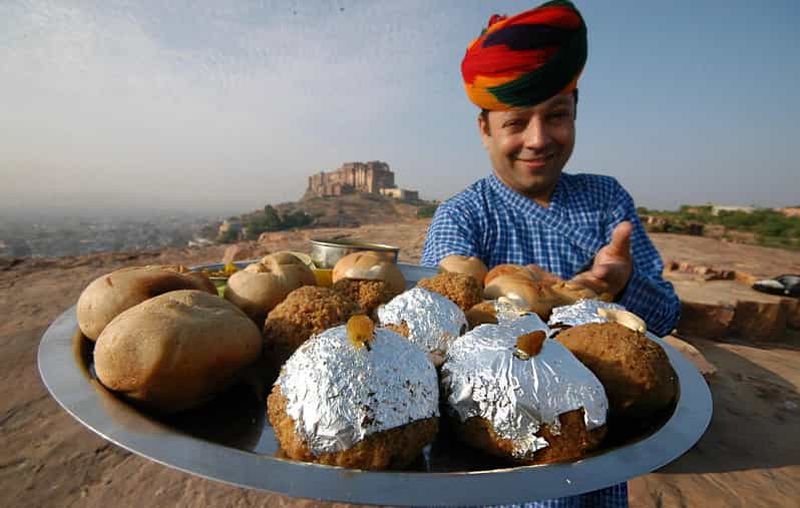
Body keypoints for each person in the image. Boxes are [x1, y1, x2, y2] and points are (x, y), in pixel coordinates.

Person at [420, 1, 681, 506]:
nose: (538, 140)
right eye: (516, 122)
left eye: (556, 116)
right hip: (491, 473)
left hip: (592, 477)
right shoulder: (462, 216)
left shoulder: (608, 200)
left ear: (575, 112)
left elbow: (668, 317)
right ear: (485, 129)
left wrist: (622, 282)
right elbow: (440, 325)